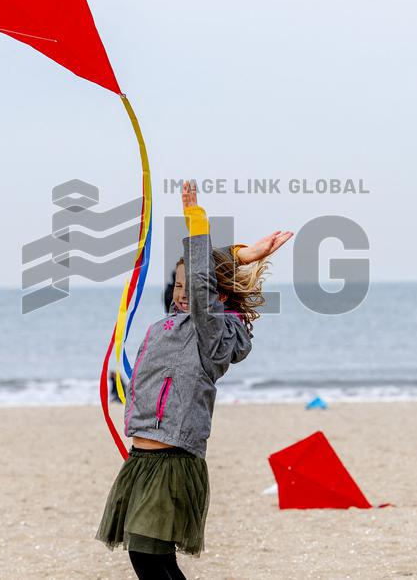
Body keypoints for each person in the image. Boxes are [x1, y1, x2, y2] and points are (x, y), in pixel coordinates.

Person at [96, 180, 292, 579]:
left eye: (193, 289)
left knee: (148, 559)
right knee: (155, 559)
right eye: (178, 288)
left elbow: (204, 286)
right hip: (144, 458)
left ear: (218, 296)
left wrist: (196, 223)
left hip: (174, 460)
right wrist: (242, 255)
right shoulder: (173, 321)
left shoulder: (214, 336)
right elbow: (195, 281)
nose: (182, 295)